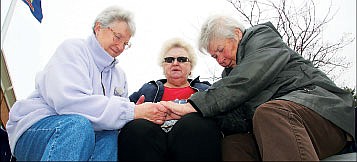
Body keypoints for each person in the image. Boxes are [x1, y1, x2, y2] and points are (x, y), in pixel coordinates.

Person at [160, 15, 355, 161]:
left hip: (324, 116)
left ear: (237, 34)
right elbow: (236, 119)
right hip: (280, 131)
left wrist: (193, 105)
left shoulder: (263, 38)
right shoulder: (229, 76)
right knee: (234, 144)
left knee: (270, 113)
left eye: (220, 50)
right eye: (214, 57)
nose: (220, 60)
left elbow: (248, 78)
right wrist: (189, 118)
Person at [6, 6, 168, 161]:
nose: (120, 47)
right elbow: (69, 103)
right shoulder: (73, 50)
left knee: (110, 137)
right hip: (38, 127)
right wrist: (130, 111)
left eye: (126, 44)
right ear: (98, 28)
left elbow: (116, 116)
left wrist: (132, 115)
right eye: (117, 37)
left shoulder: (120, 76)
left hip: (87, 134)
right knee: (78, 126)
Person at [117, 38, 222, 161]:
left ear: (191, 66)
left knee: (194, 123)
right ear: (163, 65)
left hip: (191, 141)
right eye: (169, 60)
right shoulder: (147, 89)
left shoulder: (206, 89)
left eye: (182, 59)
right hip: (153, 141)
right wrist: (135, 111)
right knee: (136, 128)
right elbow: (122, 111)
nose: (175, 63)